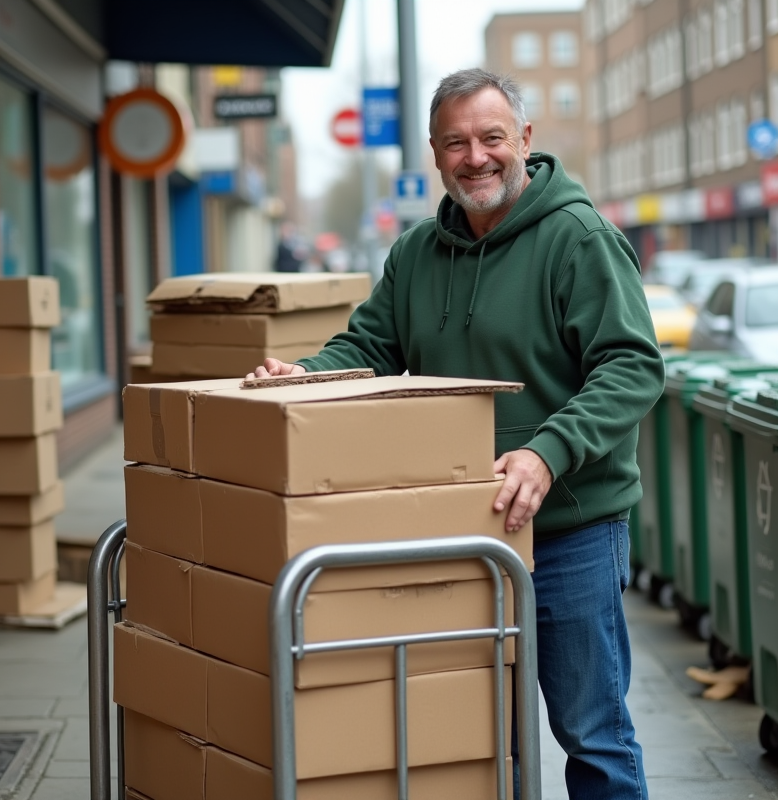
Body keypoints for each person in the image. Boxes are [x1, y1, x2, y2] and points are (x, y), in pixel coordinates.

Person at [248, 68, 663, 799]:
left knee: (592, 733)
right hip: (459, 532)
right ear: (435, 153)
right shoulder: (416, 252)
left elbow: (632, 367)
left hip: (568, 531)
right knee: (478, 737)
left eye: (491, 138)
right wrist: (304, 376)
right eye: (455, 143)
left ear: (524, 140)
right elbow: (371, 347)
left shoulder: (579, 239)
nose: (476, 158)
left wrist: (547, 453)